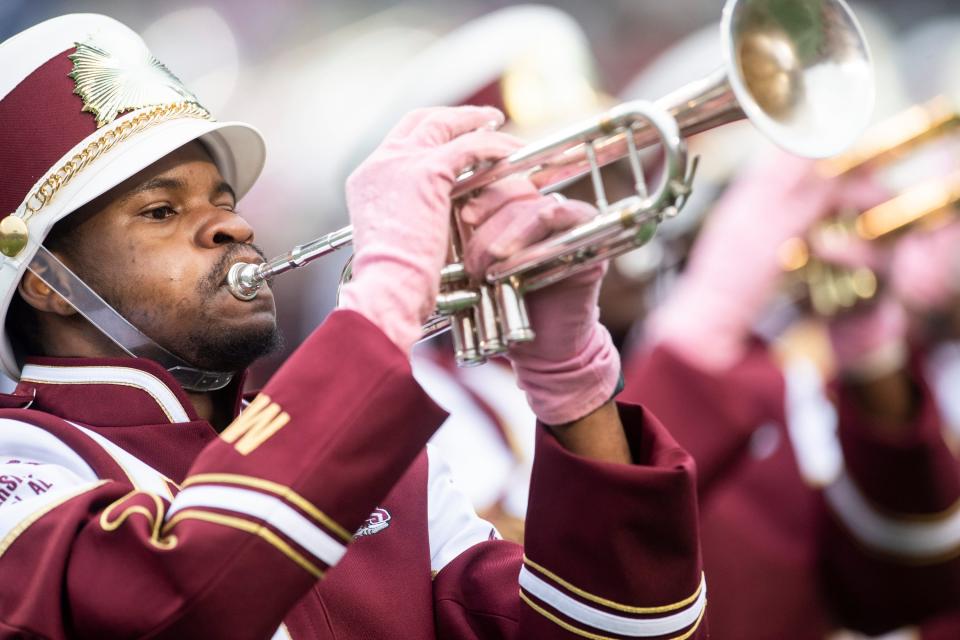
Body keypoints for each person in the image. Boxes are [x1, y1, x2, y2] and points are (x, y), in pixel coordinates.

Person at [0, 14, 708, 640]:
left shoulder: (384, 462)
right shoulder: (21, 464)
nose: (235, 225)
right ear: (45, 280)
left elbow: (621, 630)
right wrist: (384, 300)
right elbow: (179, 599)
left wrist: (574, 385)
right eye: (162, 211)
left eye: (223, 198)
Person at [623, 149, 960, 639]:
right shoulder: (674, 388)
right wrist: (705, 320)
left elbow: (907, 580)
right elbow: (598, 564)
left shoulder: (779, 376)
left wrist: (872, 356)